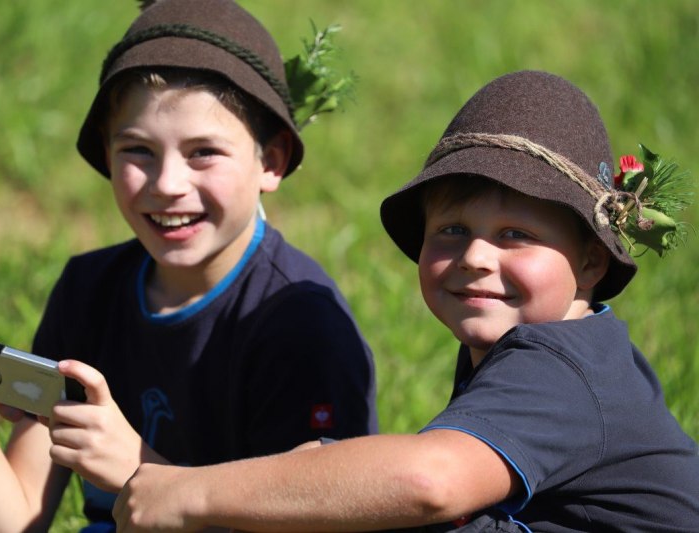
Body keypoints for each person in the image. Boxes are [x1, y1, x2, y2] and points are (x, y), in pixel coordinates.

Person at [110, 70, 699, 532]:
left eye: (515, 235)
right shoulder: (537, 350)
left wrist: (194, 492)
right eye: (452, 230)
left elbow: (429, 482)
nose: (476, 256)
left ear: (592, 261)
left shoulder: (561, 365)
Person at [0, 0, 377, 531]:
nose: (168, 184)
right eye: (138, 150)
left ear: (271, 161)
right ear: (107, 154)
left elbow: (325, 519)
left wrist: (139, 468)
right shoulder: (89, 291)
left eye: (203, 152)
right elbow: (14, 522)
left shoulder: (302, 325)